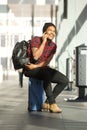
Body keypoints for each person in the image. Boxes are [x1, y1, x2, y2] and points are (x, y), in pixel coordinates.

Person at [24, 22, 69, 113]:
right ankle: (52, 103)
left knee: (64, 80)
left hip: (40, 68)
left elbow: (47, 62)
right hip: (29, 69)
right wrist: (44, 42)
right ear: (45, 32)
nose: (52, 33)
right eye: (50, 30)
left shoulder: (53, 46)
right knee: (46, 74)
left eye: (54, 31)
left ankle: (47, 102)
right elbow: (36, 56)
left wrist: (36, 66)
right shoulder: (36, 40)